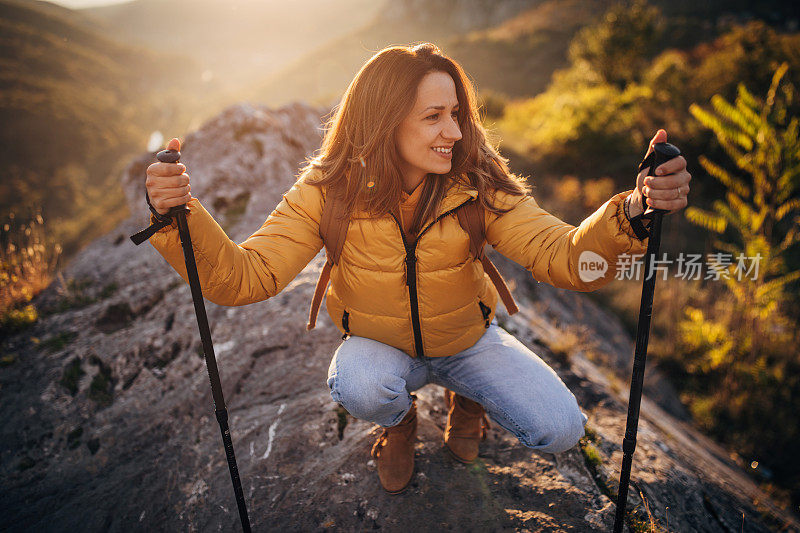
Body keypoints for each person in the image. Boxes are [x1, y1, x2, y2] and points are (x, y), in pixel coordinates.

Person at [144, 43, 690, 494]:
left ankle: (466, 396)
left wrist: (636, 210)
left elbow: (566, 257)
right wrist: (178, 218)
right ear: (384, 122)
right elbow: (246, 276)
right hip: (381, 345)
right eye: (433, 117)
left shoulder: (478, 182)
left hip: (468, 340)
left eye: (455, 114)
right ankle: (399, 422)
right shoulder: (327, 191)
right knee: (358, 385)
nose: (453, 131)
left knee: (560, 429)